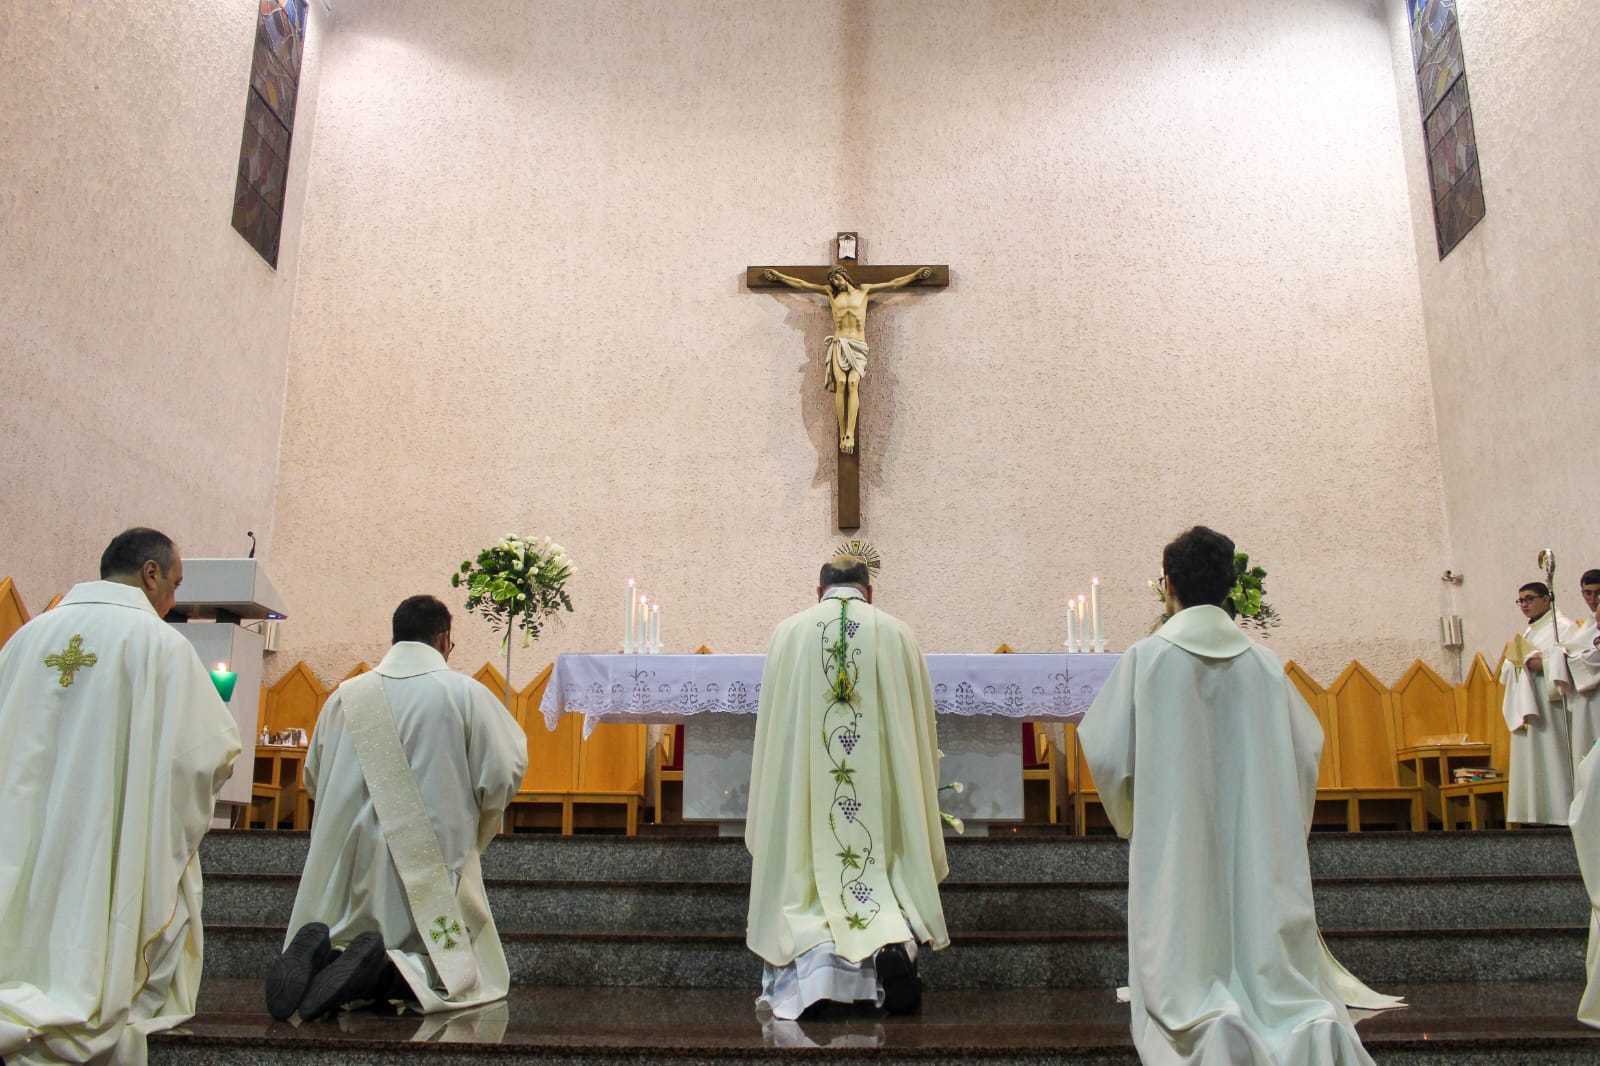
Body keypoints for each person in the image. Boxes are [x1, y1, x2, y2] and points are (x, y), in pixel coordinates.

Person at [1078, 525, 1400, 1066]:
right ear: (1230, 588)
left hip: (1176, 836)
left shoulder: (1147, 659)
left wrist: (1132, 814)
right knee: (1277, 971)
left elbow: (1107, 754)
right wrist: (1277, 821)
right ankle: (1293, 1017)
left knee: (1186, 954)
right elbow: (1306, 753)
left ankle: (1209, 1013)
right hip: (1259, 843)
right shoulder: (1266, 665)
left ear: (1169, 585)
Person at [0, 528, 241, 1065]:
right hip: (108, 835)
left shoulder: (27, 637)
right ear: (150, 574)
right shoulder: (159, 644)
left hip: (20, 830)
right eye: (175, 585)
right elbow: (207, 756)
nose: (174, 601)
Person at [268, 595, 527, 1021]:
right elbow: (502, 773)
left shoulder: (343, 698)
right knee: (453, 969)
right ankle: (389, 969)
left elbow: (312, 776)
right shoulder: (463, 693)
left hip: (347, 862)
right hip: (426, 865)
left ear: (395, 636)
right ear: (445, 639)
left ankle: (325, 956)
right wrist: (477, 826)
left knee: (348, 931)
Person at [745, 555, 948, 1019]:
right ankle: (891, 947)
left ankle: (817, 972)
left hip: (807, 803)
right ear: (869, 592)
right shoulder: (896, 633)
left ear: (818, 594)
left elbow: (772, 735)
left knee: (804, 883)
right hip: (877, 800)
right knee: (884, 871)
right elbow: (918, 732)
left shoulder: (789, 634)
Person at [760, 265, 934, 454]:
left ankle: (849, 432)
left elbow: (893, 285)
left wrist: (916, 276)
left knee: (852, 384)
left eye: (837, 279)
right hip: (839, 344)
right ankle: (843, 432)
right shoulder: (831, 294)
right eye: (833, 281)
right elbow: (802, 285)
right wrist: (778, 278)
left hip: (857, 344)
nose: (835, 283)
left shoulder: (864, 291)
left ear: (845, 277)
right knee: (841, 384)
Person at [1504, 582, 1579, 825]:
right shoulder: (1530, 632)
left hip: (1552, 708)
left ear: (1547, 599)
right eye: (1521, 600)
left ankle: (1562, 814)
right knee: (1533, 760)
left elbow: (1571, 664)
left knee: (1554, 759)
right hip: (1531, 706)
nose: (1524, 604)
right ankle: (1538, 816)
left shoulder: (1563, 628)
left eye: (1529, 599)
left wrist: (1543, 664)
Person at [1552, 570, 1600, 779]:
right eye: (1587, 593)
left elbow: (1590, 660)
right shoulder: (1587, 626)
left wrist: (1570, 658)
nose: (1593, 599)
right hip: (1585, 706)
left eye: (1598, 592)